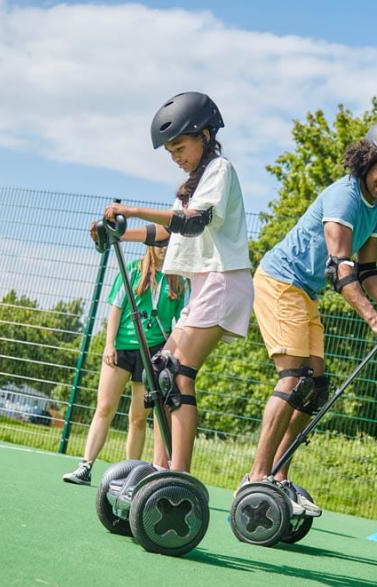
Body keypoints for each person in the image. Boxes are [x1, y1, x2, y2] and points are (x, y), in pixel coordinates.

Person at [243, 121, 377, 516]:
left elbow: (369, 269)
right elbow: (339, 266)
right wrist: (375, 321)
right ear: (367, 162)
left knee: (315, 388)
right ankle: (256, 478)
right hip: (279, 281)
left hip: (304, 292)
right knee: (292, 380)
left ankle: (279, 478)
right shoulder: (344, 197)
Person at [95, 91, 253, 473]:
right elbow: (169, 235)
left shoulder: (219, 170)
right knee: (163, 371)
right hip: (206, 286)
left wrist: (131, 209)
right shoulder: (195, 184)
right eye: (171, 153)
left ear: (205, 135)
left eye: (180, 147)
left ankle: (178, 476)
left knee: (179, 374)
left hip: (223, 282)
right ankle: (159, 469)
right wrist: (118, 233)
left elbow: (193, 222)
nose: (177, 158)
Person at [63, 246, 185, 485]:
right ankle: (85, 466)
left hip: (153, 353)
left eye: (168, 244)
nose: (163, 248)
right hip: (122, 347)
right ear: (150, 245)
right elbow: (116, 309)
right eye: (158, 243)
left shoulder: (178, 281)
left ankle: (132, 476)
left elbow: (181, 321)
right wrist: (109, 344)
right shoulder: (132, 270)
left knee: (139, 418)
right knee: (105, 408)